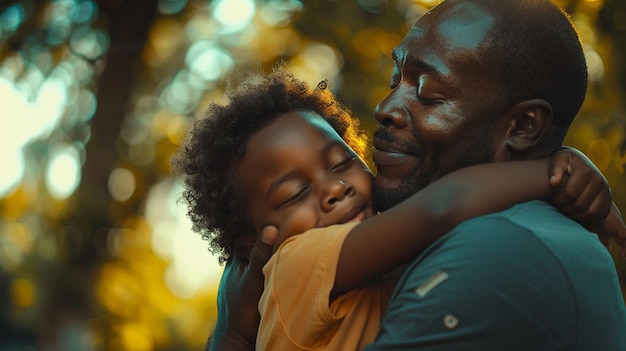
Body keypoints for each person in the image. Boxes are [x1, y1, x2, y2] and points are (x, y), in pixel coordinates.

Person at [203, 0, 626, 350]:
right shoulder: (305, 260)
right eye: (395, 79)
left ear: (523, 127)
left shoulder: (490, 253)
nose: (384, 108)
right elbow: (443, 206)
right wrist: (554, 171)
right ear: (249, 244)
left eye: (428, 91)